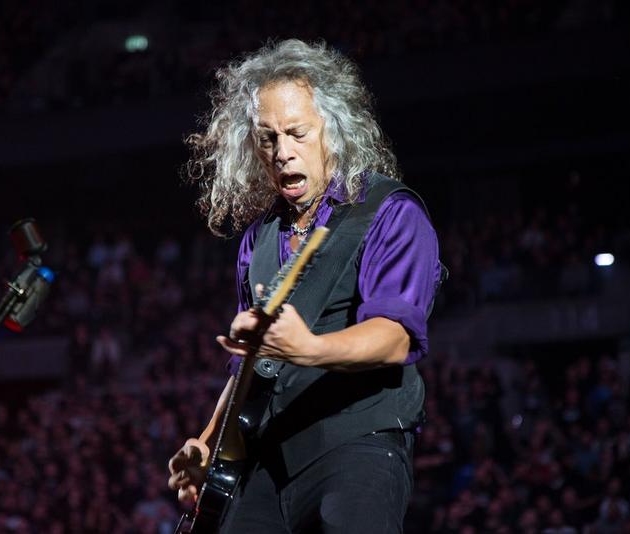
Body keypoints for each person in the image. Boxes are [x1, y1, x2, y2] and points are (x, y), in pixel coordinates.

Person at [168, 39, 444, 533]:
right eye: (267, 138)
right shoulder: (259, 238)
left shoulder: (390, 213)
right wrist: (208, 442)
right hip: (269, 458)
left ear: (334, 130)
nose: (282, 153)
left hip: (357, 443)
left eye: (297, 133)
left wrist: (311, 348)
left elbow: (395, 335)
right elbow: (249, 367)